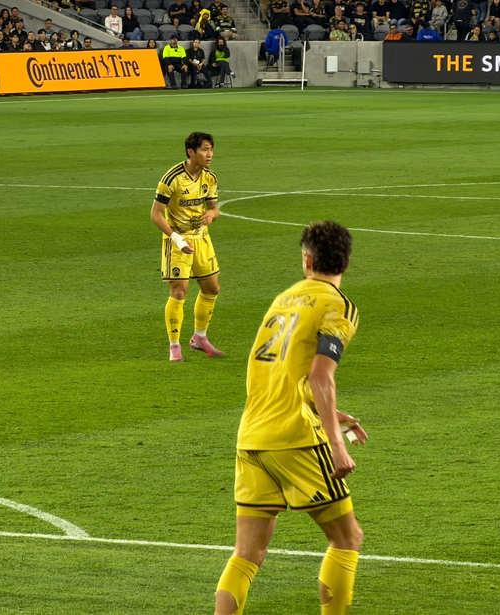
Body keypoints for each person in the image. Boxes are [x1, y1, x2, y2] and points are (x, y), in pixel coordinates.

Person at [214, 220, 367, 615]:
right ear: (346, 263)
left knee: (247, 554)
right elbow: (320, 376)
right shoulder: (338, 306)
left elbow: (284, 373)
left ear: (307, 260)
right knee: (347, 539)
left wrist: (329, 411)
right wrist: (336, 443)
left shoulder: (283, 300)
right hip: (294, 438)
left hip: (252, 436)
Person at [150, 132, 222, 363]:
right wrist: (177, 239)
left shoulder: (210, 177)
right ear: (191, 152)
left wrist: (211, 214)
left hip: (201, 239)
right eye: (205, 149)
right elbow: (156, 214)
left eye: (211, 149)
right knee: (179, 292)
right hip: (178, 241)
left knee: (212, 288)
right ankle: (174, 346)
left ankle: (199, 337)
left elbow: (215, 209)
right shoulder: (172, 178)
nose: (209, 154)